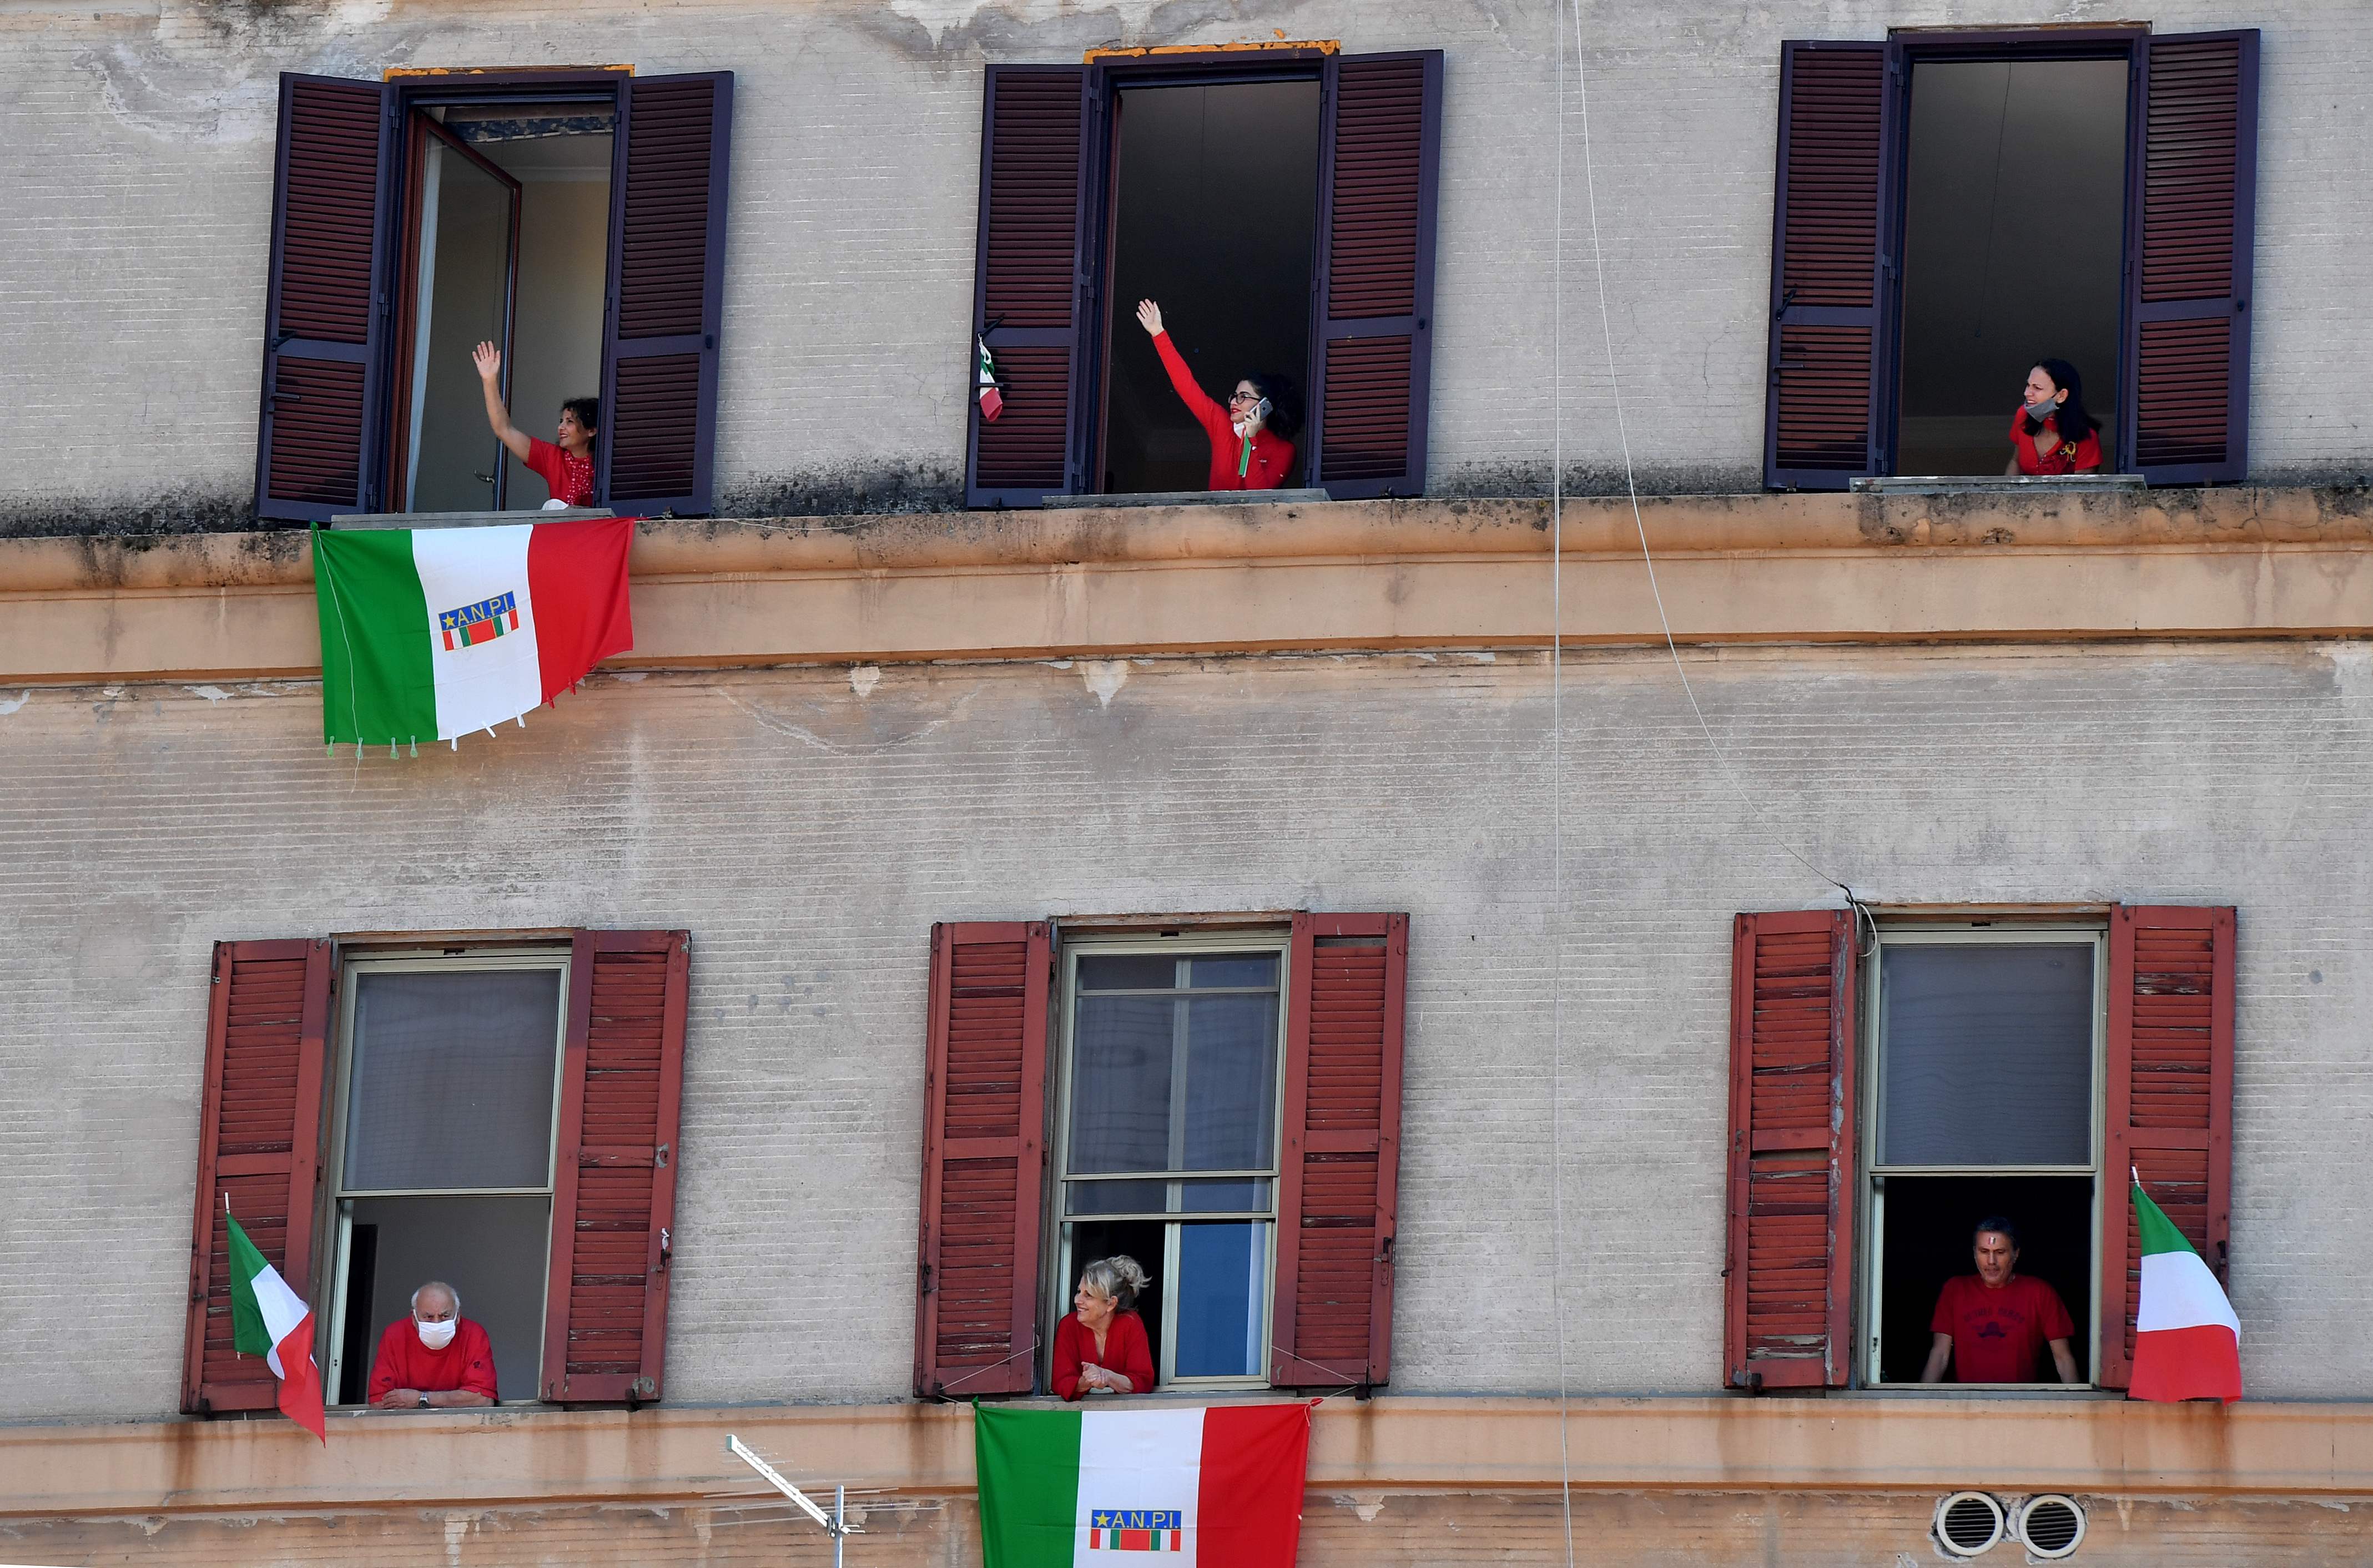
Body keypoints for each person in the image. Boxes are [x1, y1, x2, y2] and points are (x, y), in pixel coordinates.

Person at [1131, 300, 1298, 491]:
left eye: (1244, 396)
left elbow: (1257, 495)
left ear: (1264, 405)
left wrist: (1251, 441)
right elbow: (1187, 387)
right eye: (1234, 396)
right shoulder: (1222, 425)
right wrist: (1158, 333)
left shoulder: (1283, 450)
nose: (1235, 401)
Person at [1922, 1218, 2080, 1385]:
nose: (1991, 1261)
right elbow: (1940, 1355)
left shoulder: (2039, 1292)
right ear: (1975, 1252)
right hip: (1967, 1403)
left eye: (2000, 1252)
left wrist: (2079, 1407)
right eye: (1984, 1251)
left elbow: (2063, 1358)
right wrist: (1918, 1404)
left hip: (2023, 1402)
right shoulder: (1955, 1290)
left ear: (2016, 1254)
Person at [472, 341, 599, 509]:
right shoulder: (552, 457)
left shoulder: (608, 463)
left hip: (601, 533)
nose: (561, 427)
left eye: (570, 422)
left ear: (591, 430)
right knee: (552, 506)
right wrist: (489, 380)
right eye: (561, 421)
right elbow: (504, 430)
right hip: (565, 533)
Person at [367, 1280, 498, 1409]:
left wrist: (421, 1399)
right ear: (414, 1319)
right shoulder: (394, 1335)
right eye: (428, 1317)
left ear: (458, 1317)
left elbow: (483, 1399)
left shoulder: (474, 1334)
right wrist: (454, 1400)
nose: (437, 1323)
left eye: (445, 1316)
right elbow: (379, 1402)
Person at [1051, 1255, 1156, 1399]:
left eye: (1088, 1296)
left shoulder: (1130, 1323)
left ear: (1111, 1304)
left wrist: (1107, 1376)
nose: (1077, 1300)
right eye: (1079, 1292)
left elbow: (1142, 1381)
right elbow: (1061, 1383)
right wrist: (1088, 1381)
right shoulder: (1068, 1326)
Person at [2005, 359, 2103, 476]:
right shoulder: (2023, 416)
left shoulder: (2086, 437)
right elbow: (2016, 462)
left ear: (2061, 396)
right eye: (2028, 385)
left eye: (2037, 388)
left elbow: (2081, 491)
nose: (2027, 393)